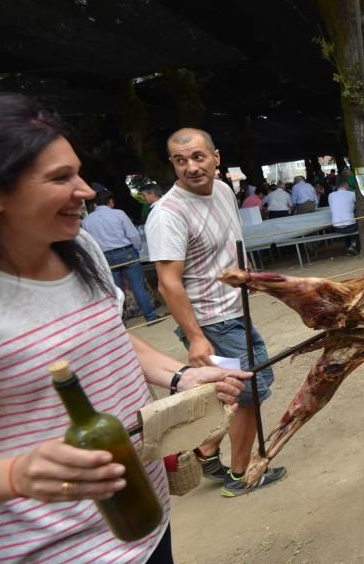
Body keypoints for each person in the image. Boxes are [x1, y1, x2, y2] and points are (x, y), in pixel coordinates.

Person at [0, 93, 249, 563]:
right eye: (60, 178)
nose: (85, 191)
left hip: (145, 519)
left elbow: (107, 335)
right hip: (54, 550)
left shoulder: (79, 247)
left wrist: (182, 376)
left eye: (78, 172)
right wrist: (17, 475)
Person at [147, 128, 287, 498]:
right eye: (181, 161)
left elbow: (228, 251)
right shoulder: (168, 214)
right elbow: (168, 283)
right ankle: (240, 475)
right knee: (248, 391)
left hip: (235, 311)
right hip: (212, 322)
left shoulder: (224, 191)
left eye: (197, 157)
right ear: (172, 165)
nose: (191, 167)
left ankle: (206, 452)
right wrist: (195, 337)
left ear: (216, 157)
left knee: (231, 391)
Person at [81, 189, 160, 324]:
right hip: (126, 253)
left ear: (95, 204)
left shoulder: (87, 220)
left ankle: (121, 322)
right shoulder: (118, 214)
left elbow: (89, 242)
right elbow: (133, 235)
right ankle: (150, 317)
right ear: (110, 201)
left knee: (114, 290)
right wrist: (138, 248)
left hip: (105, 257)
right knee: (138, 286)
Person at [328, 180, 359, 255]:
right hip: (350, 227)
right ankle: (353, 244)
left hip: (336, 227)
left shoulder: (331, 195)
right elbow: (358, 204)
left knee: (347, 224)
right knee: (359, 224)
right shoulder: (351, 194)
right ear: (347, 186)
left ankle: (348, 247)